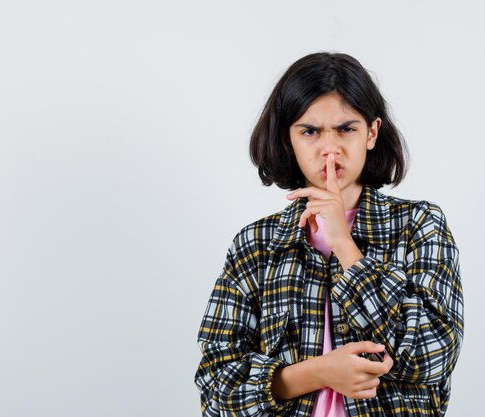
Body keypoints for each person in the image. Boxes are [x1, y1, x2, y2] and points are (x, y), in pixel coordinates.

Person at [194, 52, 464, 417]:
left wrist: (345, 247)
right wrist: (319, 372)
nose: (329, 148)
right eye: (310, 131)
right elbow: (216, 390)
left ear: (371, 133)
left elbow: (434, 356)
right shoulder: (256, 244)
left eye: (346, 129)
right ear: (288, 140)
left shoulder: (419, 225)